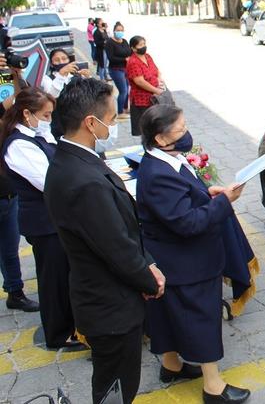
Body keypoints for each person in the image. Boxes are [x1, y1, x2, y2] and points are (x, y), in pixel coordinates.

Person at [43, 77, 165, 404]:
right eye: (111, 120)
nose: (113, 126)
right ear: (90, 123)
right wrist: (149, 278)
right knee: (116, 390)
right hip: (110, 308)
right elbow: (116, 247)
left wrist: (148, 260)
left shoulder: (73, 159)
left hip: (103, 298)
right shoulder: (82, 182)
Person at [137, 105, 250, 404]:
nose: (187, 134)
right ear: (161, 139)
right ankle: (213, 387)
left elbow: (185, 200)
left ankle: (171, 365)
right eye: (181, 130)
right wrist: (224, 202)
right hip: (186, 262)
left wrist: (207, 193)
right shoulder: (158, 174)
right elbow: (187, 223)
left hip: (174, 259)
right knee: (202, 318)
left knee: (167, 315)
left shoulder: (168, 160)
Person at [0, 88, 79, 348]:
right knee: (52, 279)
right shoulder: (19, 145)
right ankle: (58, 334)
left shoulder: (35, 135)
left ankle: (68, 325)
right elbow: (48, 182)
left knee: (61, 274)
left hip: (52, 219)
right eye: (44, 115)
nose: (48, 120)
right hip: (43, 222)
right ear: (26, 113)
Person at [0, 58, 38, 313]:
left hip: (6, 194)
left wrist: (15, 74)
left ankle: (15, 291)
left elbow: (23, 100)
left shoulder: (9, 122)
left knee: (10, 248)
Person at [126, 35, 165, 137]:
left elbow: (156, 70)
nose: (143, 46)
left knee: (156, 126)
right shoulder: (133, 62)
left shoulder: (147, 56)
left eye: (144, 44)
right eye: (140, 45)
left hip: (154, 97)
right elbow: (139, 81)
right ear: (133, 48)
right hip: (142, 100)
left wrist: (159, 79)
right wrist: (156, 90)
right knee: (146, 129)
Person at [105, 22, 132, 117]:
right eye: (118, 30)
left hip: (126, 69)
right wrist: (124, 59)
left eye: (121, 30)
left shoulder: (124, 41)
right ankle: (120, 112)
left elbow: (129, 51)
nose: (120, 32)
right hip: (116, 69)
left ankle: (126, 108)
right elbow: (111, 57)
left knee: (128, 89)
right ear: (114, 31)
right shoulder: (110, 43)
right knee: (123, 90)